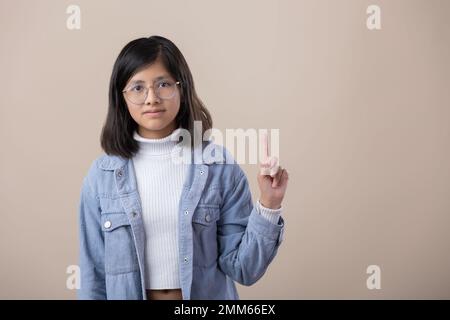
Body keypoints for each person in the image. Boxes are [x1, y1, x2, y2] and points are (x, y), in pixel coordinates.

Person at [78, 35, 289, 300]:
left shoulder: (219, 167)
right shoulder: (101, 177)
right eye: (137, 87)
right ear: (121, 98)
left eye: (163, 84)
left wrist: (270, 204)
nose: (151, 98)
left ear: (182, 88)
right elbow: (93, 278)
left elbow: (244, 268)